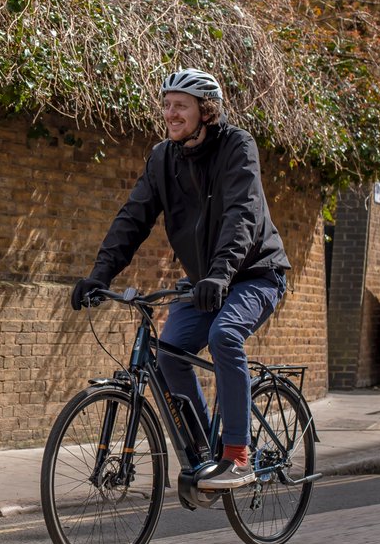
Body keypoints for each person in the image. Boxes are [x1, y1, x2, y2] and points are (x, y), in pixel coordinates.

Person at [70, 68, 290, 490]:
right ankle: (206, 453)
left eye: (181, 106)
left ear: (205, 111)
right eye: (167, 105)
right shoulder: (162, 158)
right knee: (169, 353)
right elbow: (133, 218)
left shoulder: (237, 147)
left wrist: (221, 274)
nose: (171, 113)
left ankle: (238, 455)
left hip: (255, 274)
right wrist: (99, 275)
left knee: (226, 335)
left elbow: (242, 216)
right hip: (208, 283)